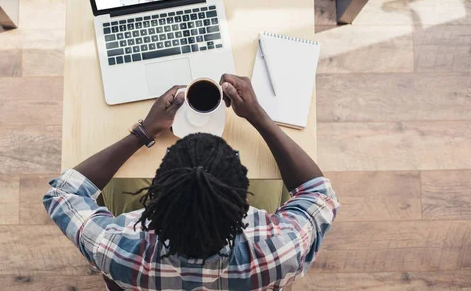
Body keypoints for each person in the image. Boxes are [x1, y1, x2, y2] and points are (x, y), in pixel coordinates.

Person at [44, 74, 339, 291]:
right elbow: (318, 192)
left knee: (114, 187)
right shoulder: (280, 251)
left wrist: (144, 132)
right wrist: (258, 116)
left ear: (155, 194)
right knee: (277, 186)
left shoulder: (119, 250)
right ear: (242, 204)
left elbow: (62, 192)